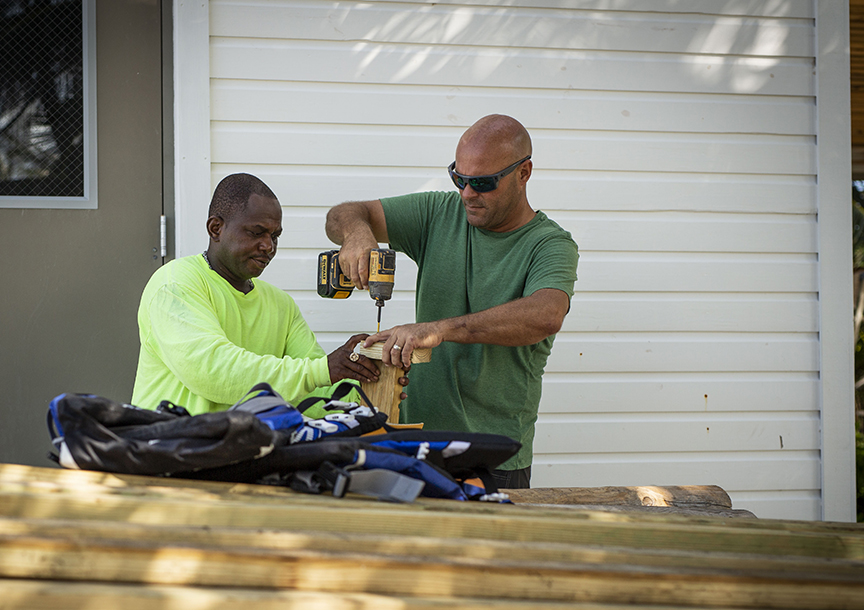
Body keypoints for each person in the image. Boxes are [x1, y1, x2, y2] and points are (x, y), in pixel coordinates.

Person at [324, 115, 579, 488]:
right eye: (458, 178)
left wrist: (439, 330)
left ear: (524, 173)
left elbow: (545, 314)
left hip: (493, 456)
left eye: (483, 183)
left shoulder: (550, 245)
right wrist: (358, 233)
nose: (467, 193)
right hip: (414, 441)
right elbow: (341, 214)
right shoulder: (438, 214)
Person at [131, 173, 384, 416]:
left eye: (275, 236)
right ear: (216, 228)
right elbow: (213, 372)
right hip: (168, 452)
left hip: (243, 453)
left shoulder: (281, 305)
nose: (268, 246)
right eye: (256, 232)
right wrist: (324, 369)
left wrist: (368, 377)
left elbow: (314, 392)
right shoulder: (175, 284)